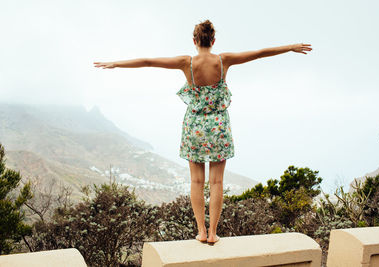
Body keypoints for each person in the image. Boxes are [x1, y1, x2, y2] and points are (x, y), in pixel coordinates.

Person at [93, 19, 312, 245]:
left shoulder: (186, 62)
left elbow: (148, 61)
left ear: (195, 40)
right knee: (217, 182)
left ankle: (201, 231)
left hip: (194, 127)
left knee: (196, 182)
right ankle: (214, 233)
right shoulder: (223, 60)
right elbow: (259, 53)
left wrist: (116, 64)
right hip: (218, 126)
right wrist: (290, 47)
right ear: (213, 40)